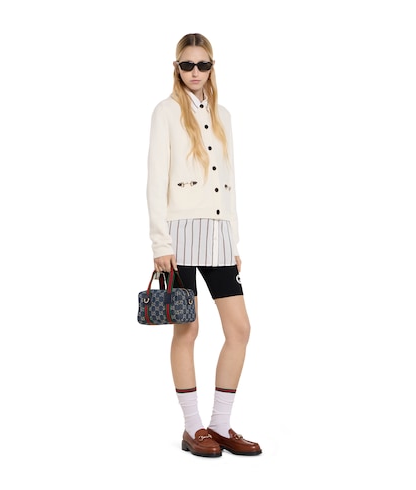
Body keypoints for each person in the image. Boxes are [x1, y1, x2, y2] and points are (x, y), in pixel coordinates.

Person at [146, 33, 261, 458]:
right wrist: (160, 242)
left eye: (203, 65)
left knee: (239, 329)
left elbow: (230, 183)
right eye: (187, 65)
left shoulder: (223, 115)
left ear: (213, 68)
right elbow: (155, 179)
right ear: (176, 68)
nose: (195, 72)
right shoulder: (166, 111)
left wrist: (233, 240)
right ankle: (193, 427)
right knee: (188, 328)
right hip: (178, 237)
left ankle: (220, 425)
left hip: (218, 235)